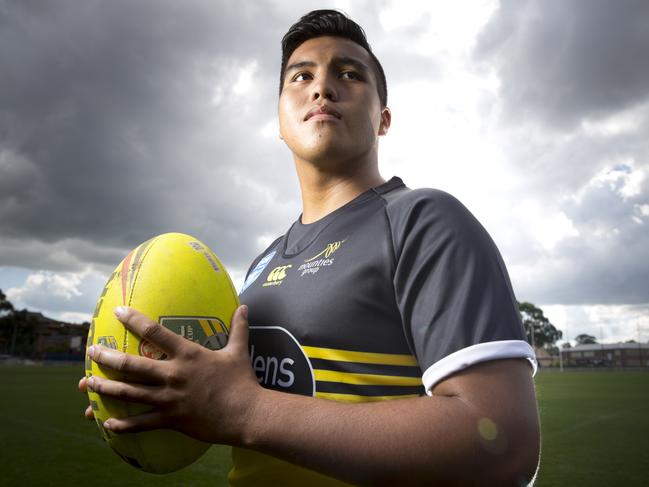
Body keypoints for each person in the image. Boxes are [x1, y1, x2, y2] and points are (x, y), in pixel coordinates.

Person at [80, 9, 540, 486]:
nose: (322, 87)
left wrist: (245, 410)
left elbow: (504, 443)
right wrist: (160, 392)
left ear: (383, 119)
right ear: (280, 120)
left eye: (349, 73)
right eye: (302, 76)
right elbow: (259, 414)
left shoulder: (424, 222)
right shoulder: (262, 264)